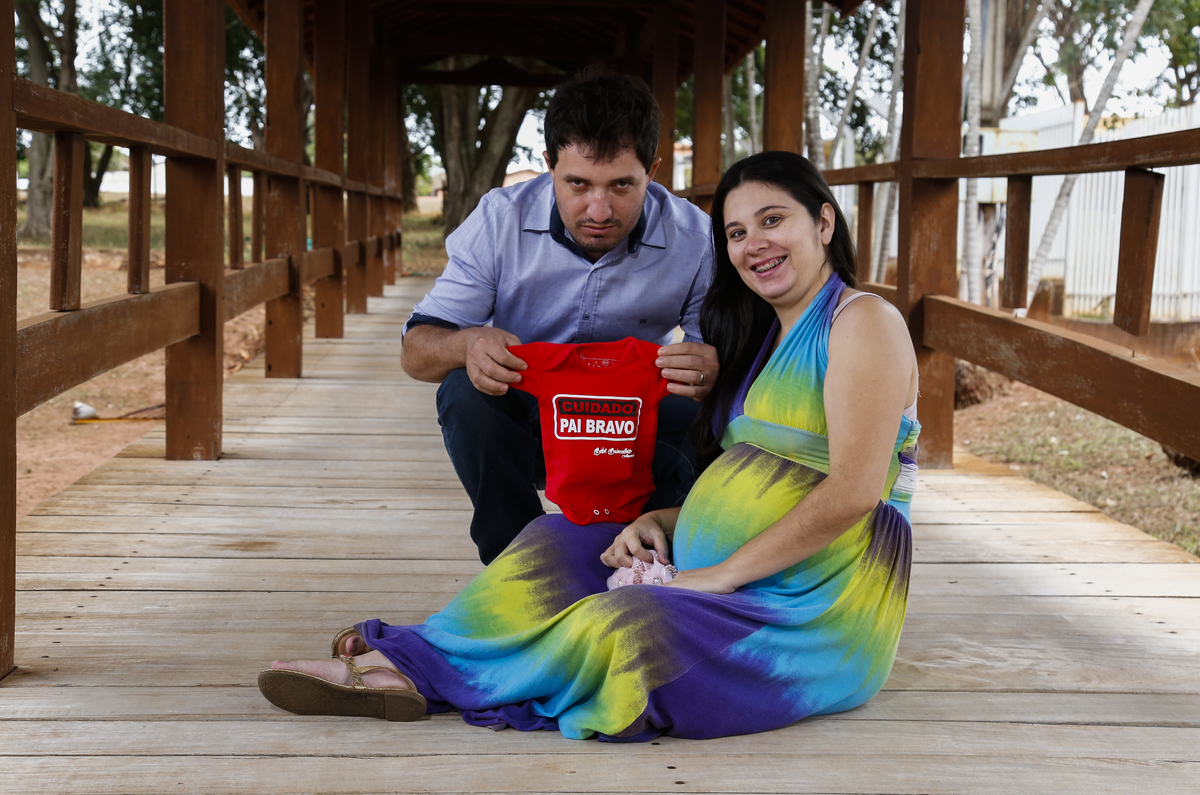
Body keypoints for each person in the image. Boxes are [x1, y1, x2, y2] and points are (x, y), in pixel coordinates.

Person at [259, 151, 921, 741]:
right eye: (737, 232)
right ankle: (417, 657)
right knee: (552, 543)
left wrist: (720, 574)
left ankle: (417, 671)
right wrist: (663, 522)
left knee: (627, 627)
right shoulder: (759, 336)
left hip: (808, 609)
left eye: (773, 220)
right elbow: (752, 479)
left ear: (824, 223)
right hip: (712, 571)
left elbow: (854, 490)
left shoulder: (863, 321)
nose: (754, 245)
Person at [400, 67, 718, 565]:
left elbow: (713, 357)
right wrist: (467, 344)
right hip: (531, 424)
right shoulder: (499, 219)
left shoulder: (696, 239)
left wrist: (712, 369)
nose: (599, 210)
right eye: (577, 184)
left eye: (622, 185)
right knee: (464, 391)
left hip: (633, 421)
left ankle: (656, 551)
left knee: (713, 413)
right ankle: (518, 563)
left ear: (653, 171)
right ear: (548, 165)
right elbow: (416, 352)